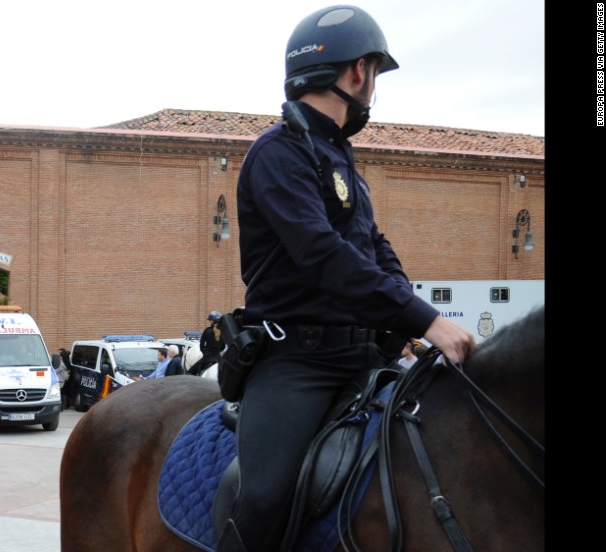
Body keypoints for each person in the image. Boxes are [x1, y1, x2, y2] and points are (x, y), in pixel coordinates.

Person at [217, 6, 477, 552]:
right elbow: (325, 256)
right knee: (263, 496)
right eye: (376, 75)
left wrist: (406, 316)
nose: (373, 87)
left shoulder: (338, 159)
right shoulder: (277, 153)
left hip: (364, 355)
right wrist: (428, 321)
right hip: (296, 362)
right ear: (359, 71)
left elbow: (373, 248)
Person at [189, 311, 224, 375]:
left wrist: (205, 352)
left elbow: (201, 345)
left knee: (190, 372)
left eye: (210, 320)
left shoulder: (207, 330)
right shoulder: (223, 332)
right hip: (219, 358)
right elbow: (223, 347)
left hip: (208, 358)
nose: (209, 322)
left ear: (212, 321)